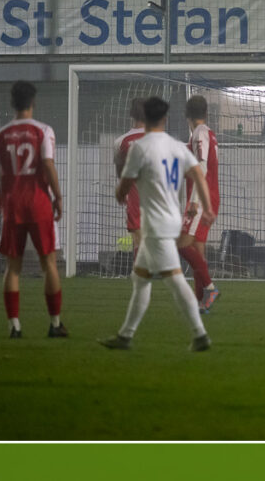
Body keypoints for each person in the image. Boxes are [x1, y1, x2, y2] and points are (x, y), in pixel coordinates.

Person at [100, 96, 213, 352]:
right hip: (170, 218)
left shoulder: (140, 148)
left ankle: (200, 334)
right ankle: (125, 336)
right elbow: (198, 174)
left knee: (175, 279)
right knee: (140, 279)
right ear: (164, 118)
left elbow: (124, 186)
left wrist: (120, 193)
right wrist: (206, 208)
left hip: (155, 222)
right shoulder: (175, 146)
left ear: (144, 117)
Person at [0, 81, 66, 339]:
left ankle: (14, 326)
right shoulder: (43, 130)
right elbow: (48, 165)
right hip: (38, 202)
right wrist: (58, 197)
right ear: (33, 102)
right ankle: (55, 324)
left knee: (13, 267)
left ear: (12, 103)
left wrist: (1, 195)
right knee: (49, 263)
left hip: (12, 205)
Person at [179, 95, 221, 314]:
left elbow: (201, 168)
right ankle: (198, 302)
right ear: (206, 113)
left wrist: (195, 201)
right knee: (197, 250)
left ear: (188, 116)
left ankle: (210, 288)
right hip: (210, 197)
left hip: (202, 199)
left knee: (182, 244)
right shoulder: (208, 134)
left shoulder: (199, 134)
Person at [113, 98, 146, 258]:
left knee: (138, 243)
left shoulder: (120, 142)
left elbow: (120, 174)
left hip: (135, 200)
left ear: (131, 114)